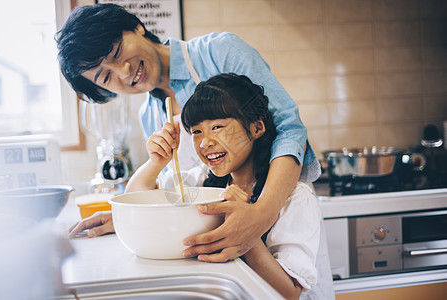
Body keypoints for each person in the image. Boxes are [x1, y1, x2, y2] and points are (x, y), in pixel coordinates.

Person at [57, 4, 321, 262]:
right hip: (221, 258)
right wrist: (127, 217)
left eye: (116, 52)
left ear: (136, 28)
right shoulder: (149, 115)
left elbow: (289, 128)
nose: (124, 73)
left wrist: (261, 214)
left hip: (281, 231)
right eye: (105, 77)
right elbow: (178, 193)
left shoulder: (219, 52)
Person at [125, 73, 334, 299]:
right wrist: (156, 162)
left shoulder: (295, 198)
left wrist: (246, 233)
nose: (205, 142)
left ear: (256, 128)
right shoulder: (202, 182)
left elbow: (289, 292)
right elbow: (135, 201)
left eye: (217, 127)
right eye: (196, 131)